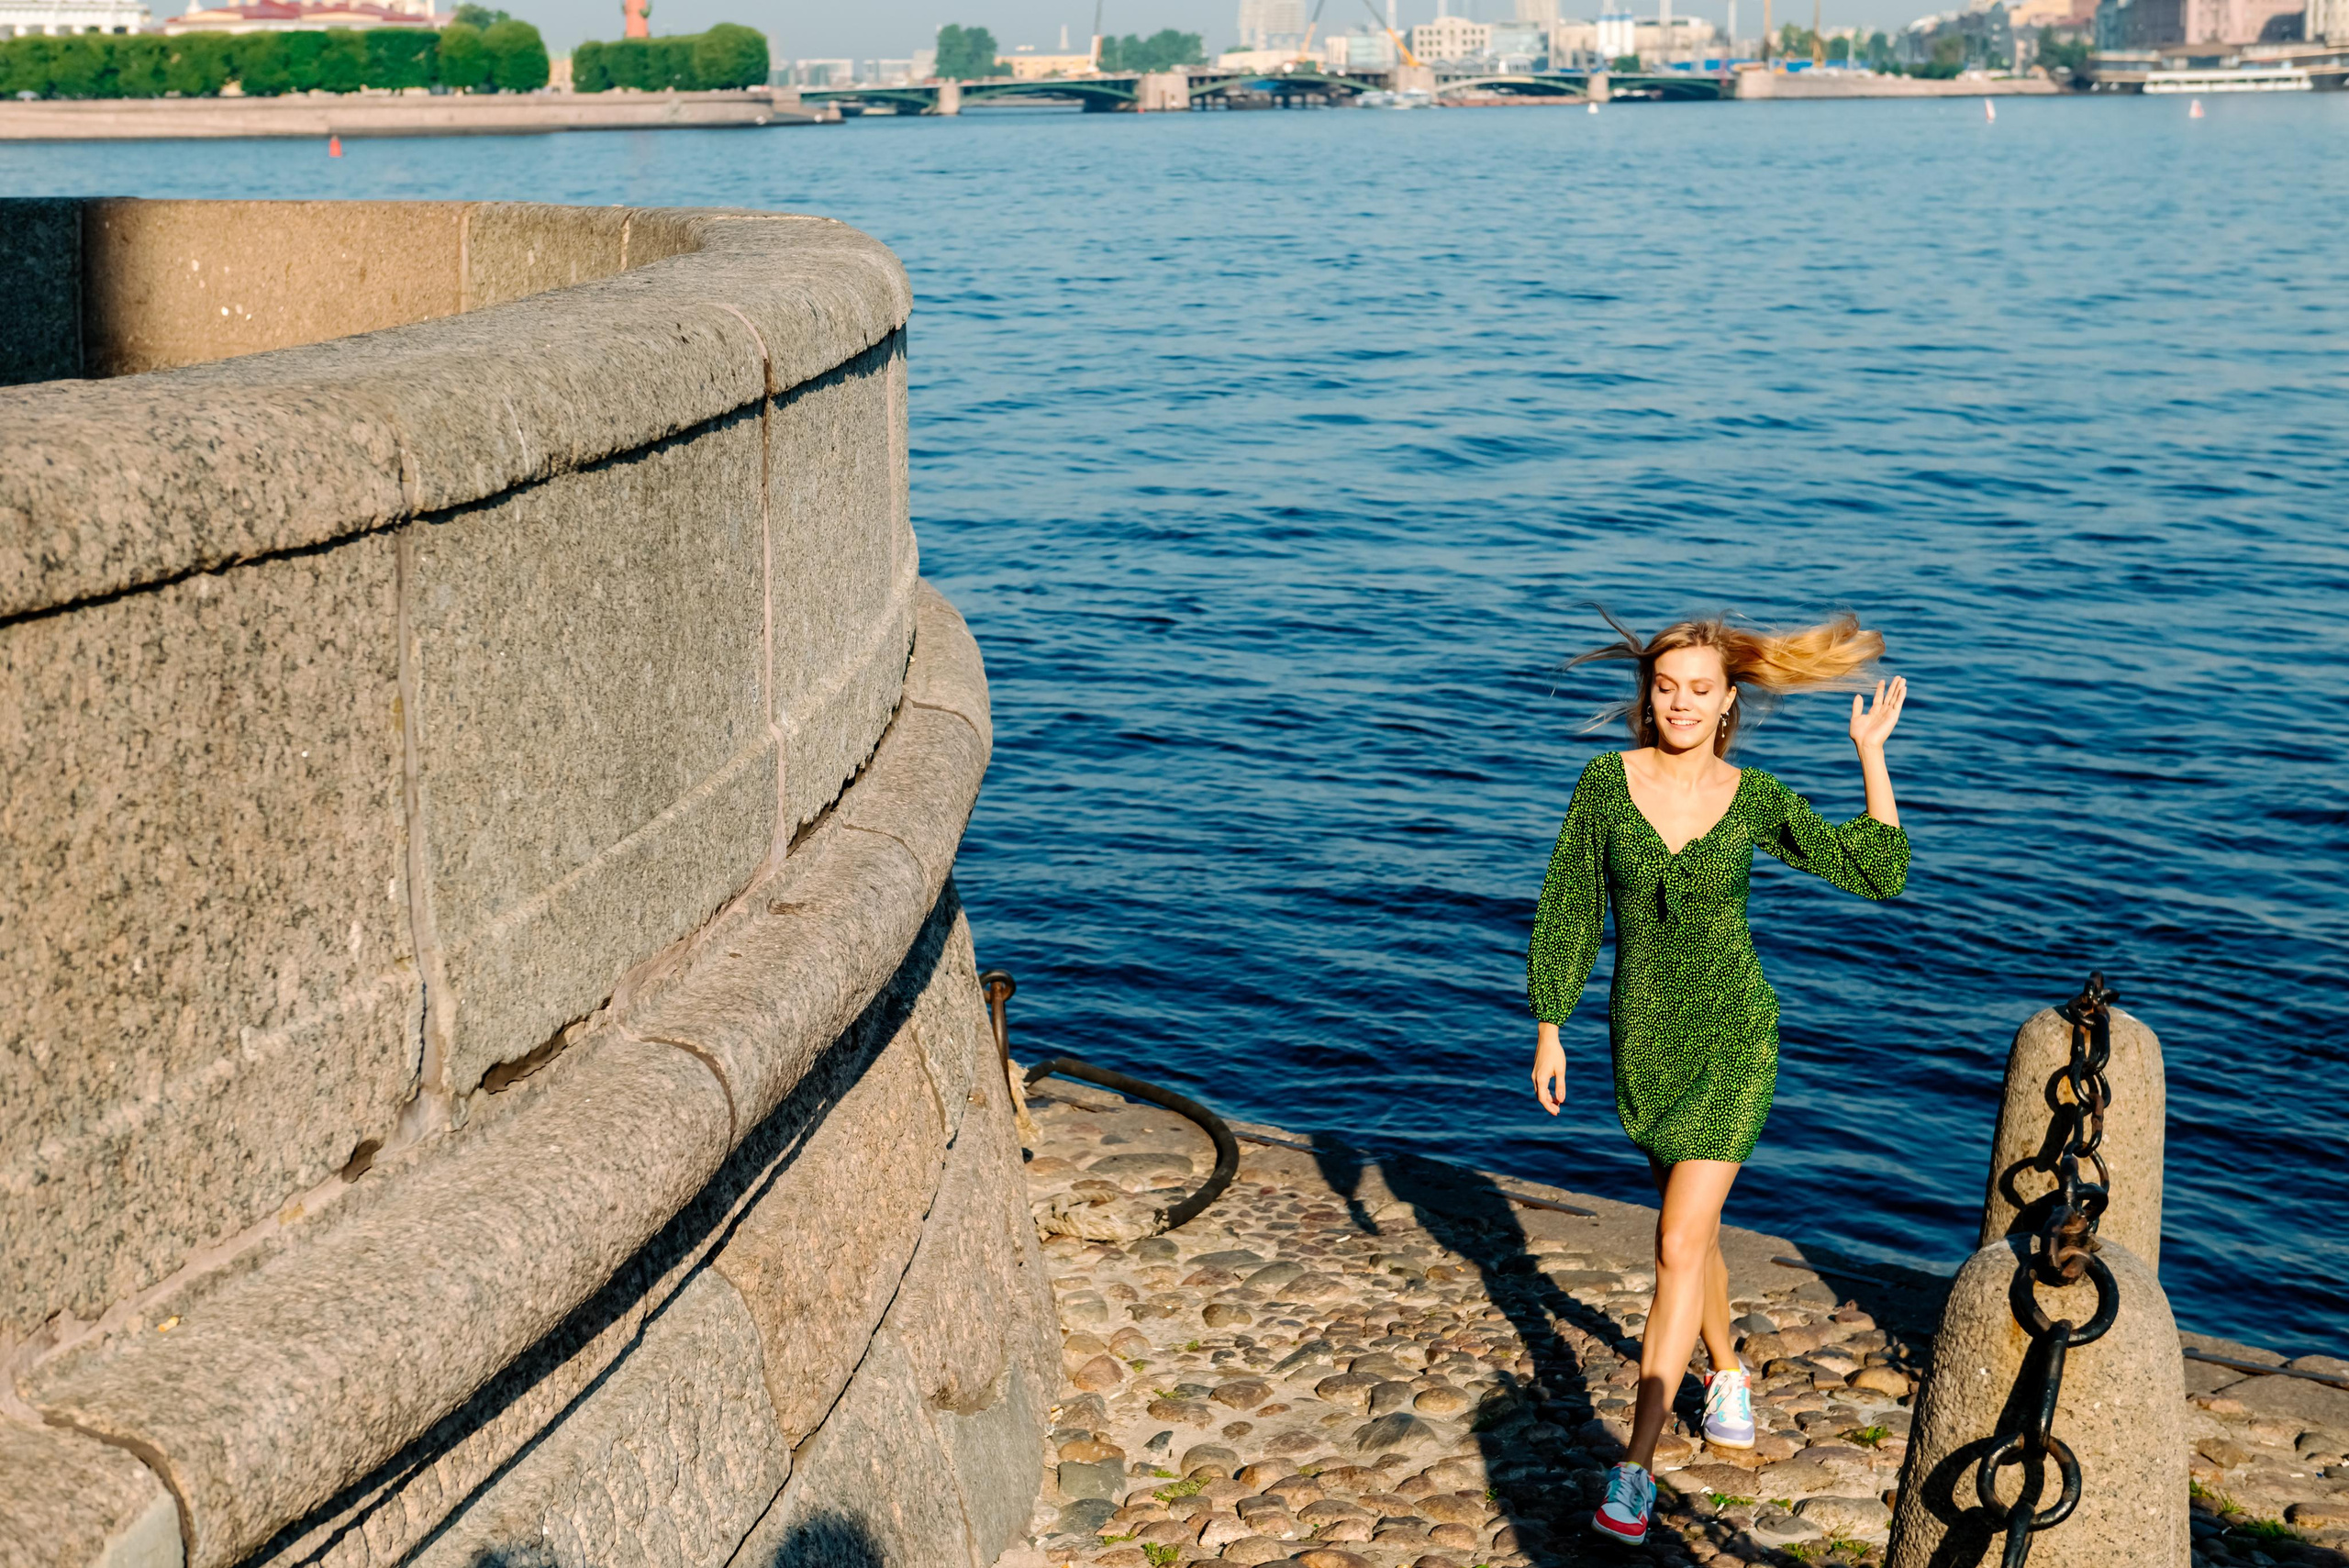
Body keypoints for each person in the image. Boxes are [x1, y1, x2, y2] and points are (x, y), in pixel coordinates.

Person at [1524, 609, 1910, 1548]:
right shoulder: (1605, 787)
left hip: (1735, 1038)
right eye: (1666, 686)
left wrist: (1870, 753)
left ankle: (1635, 1466)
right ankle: (1727, 1364)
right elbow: (1567, 905)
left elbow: (1877, 871)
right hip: (1643, 1039)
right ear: (1645, 696)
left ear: (1729, 700)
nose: (1682, 702)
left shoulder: (1752, 796)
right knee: (1687, 1238)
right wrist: (1550, 1026)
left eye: (1700, 687)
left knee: (1671, 1244)